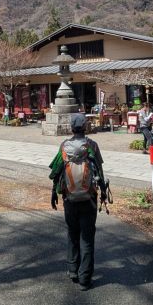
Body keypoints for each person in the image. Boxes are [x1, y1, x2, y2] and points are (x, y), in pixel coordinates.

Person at [50, 112, 108, 290]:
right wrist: (104, 192)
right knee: (87, 238)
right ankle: (84, 278)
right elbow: (98, 169)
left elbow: (56, 172)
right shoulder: (92, 146)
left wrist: (54, 192)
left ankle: (73, 270)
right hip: (89, 197)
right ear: (85, 127)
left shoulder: (64, 146)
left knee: (72, 233)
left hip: (69, 198)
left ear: (71, 128)